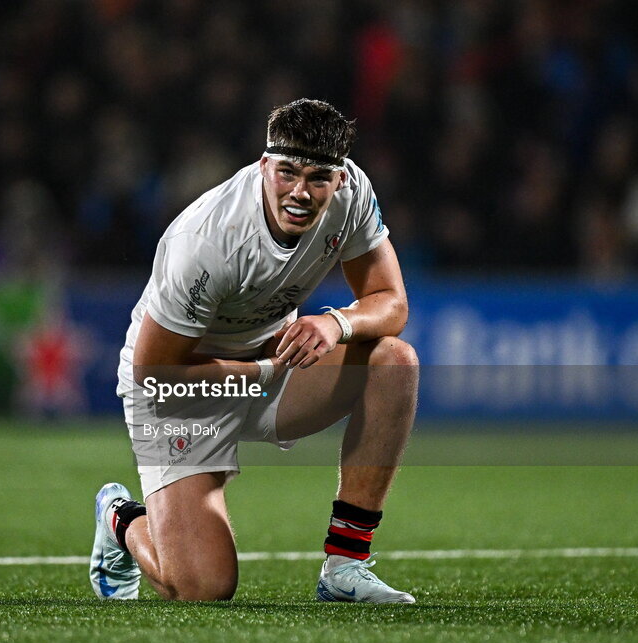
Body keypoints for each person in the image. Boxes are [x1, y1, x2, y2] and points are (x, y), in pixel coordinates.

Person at [90, 99, 418, 603]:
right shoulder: (207, 241)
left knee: (394, 362)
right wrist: (259, 370)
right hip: (179, 387)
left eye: (318, 178)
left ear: (342, 180)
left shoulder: (354, 194)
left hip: (271, 361)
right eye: (287, 173)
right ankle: (122, 520)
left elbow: (391, 301)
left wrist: (337, 323)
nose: (300, 193)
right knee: (203, 588)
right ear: (265, 165)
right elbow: (156, 370)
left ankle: (344, 567)